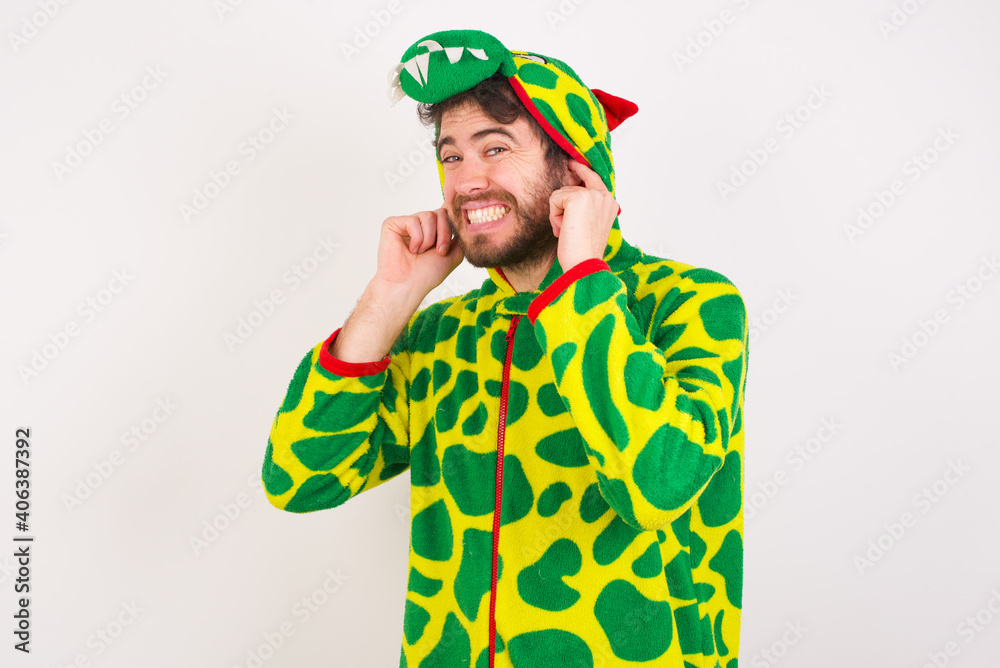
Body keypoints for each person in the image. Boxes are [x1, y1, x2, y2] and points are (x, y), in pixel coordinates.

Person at [262, 28, 749, 668]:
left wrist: (580, 278)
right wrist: (391, 298)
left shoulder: (689, 302)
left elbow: (653, 487)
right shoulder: (446, 333)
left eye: (496, 148)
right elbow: (299, 480)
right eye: (453, 156)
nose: (467, 181)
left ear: (576, 169)